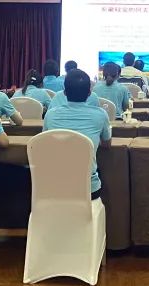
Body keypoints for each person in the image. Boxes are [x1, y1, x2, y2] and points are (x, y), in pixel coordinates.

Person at [43, 69, 112, 198]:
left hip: (55, 187)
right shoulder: (101, 115)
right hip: (88, 190)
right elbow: (107, 144)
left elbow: (45, 143)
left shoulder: (50, 115)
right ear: (89, 93)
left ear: (64, 92)